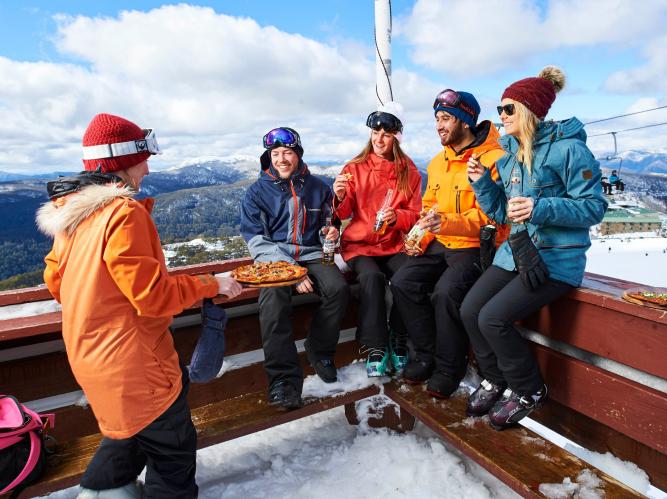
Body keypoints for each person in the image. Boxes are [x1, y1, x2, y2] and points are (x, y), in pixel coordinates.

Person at [37, 113, 242, 498]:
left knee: (127, 434)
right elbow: (153, 297)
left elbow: (56, 282)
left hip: (92, 360)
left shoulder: (74, 216)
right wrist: (212, 284)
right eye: (143, 158)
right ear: (121, 162)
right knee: (172, 456)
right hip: (135, 365)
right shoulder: (124, 213)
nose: (148, 167)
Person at [462, 67, 607, 430]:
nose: (501, 117)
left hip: (556, 261)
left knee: (492, 318)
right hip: (516, 254)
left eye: (508, 109)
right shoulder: (509, 155)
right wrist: (482, 183)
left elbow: (594, 208)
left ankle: (528, 390)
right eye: (500, 110)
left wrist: (541, 207)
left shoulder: (570, 150)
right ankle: (496, 379)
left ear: (529, 110)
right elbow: (501, 213)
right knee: (469, 310)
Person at [390, 89, 507, 398]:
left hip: (475, 246)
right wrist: (420, 236)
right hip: (442, 241)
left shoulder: (494, 159)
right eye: (437, 119)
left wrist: (447, 223)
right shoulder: (438, 162)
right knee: (402, 281)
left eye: (446, 119)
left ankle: (449, 368)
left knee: (446, 293)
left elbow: (496, 219)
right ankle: (426, 355)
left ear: (466, 122)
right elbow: (430, 207)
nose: (439, 125)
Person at [240, 127, 349, 409]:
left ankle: (320, 350)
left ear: (298, 154)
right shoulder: (256, 193)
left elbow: (329, 222)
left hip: (313, 254)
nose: (281, 159)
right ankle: (283, 380)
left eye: (287, 153)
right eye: (275, 154)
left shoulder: (317, 188)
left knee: (337, 288)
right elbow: (256, 240)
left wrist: (331, 233)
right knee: (273, 301)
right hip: (275, 259)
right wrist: (293, 271)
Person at [332, 103, 422, 377]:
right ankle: (376, 347)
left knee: (410, 276)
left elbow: (416, 213)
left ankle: (398, 336)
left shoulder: (409, 170)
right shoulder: (355, 167)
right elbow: (344, 213)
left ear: (397, 137)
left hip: (393, 243)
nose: (379, 139)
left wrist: (398, 218)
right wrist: (338, 195)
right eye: (375, 133)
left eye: (386, 134)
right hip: (360, 245)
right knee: (370, 279)